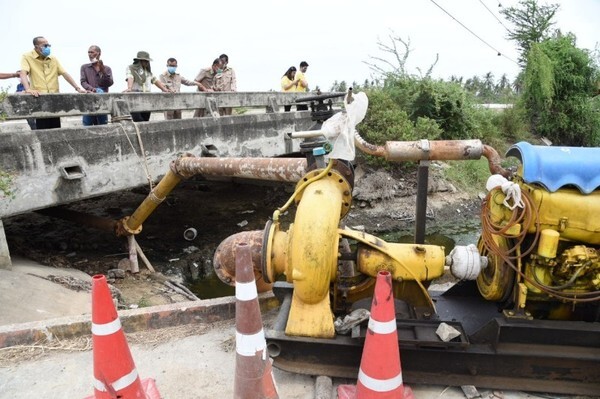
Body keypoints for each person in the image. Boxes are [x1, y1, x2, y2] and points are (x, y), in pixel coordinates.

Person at [19, 36, 87, 129]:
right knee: (42, 128)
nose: (47, 47)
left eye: (48, 45)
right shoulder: (27, 56)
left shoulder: (53, 59)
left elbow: (64, 73)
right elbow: (23, 73)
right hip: (39, 98)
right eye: (45, 45)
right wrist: (28, 89)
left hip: (54, 97)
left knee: (55, 127)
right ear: (36, 47)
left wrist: (78, 88)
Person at [124, 51, 172, 122]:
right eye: (145, 61)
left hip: (147, 98)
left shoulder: (148, 71)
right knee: (137, 119)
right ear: (140, 61)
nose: (147, 63)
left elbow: (155, 80)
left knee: (146, 120)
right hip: (136, 98)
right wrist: (129, 88)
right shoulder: (131, 68)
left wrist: (164, 89)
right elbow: (130, 77)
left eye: (147, 61)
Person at [80, 45, 114, 126]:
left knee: (103, 124)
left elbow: (109, 83)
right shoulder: (85, 67)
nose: (89, 54)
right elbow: (83, 82)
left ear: (98, 53)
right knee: (87, 124)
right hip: (88, 100)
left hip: (102, 101)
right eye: (88, 52)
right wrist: (92, 89)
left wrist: (102, 70)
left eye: (92, 52)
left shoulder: (107, 68)